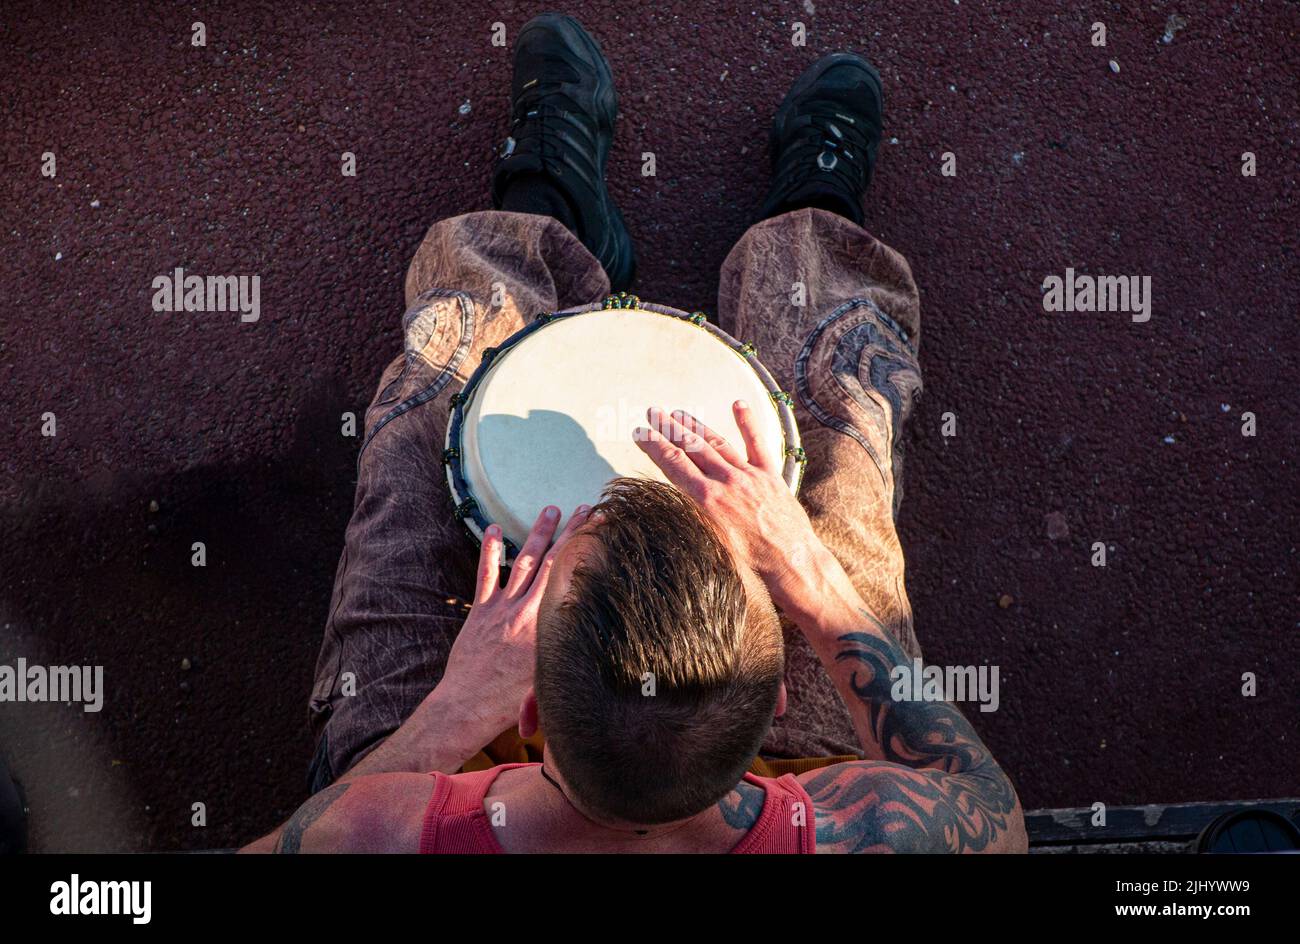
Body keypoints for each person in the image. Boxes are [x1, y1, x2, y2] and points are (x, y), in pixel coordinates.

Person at [243, 12, 1026, 853]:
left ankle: (542, 208)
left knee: (424, 428)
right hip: (768, 769)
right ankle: (813, 228)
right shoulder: (857, 829)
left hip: (474, 777)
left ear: (530, 706)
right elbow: (994, 813)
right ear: (780, 698)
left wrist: (458, 706)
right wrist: (799, 567)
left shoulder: (378, 830)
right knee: (843, 460)